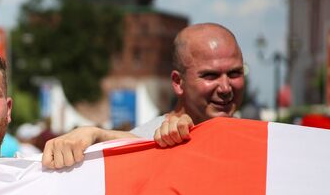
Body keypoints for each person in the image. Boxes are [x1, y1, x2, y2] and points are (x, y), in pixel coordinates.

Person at [42, 22, 244, 169]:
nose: (225, 87)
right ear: (177, 82)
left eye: (235, 73)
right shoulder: (154, 139)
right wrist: (94, 135)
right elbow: (136, 144)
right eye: (211, 75)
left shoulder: (263, 143)